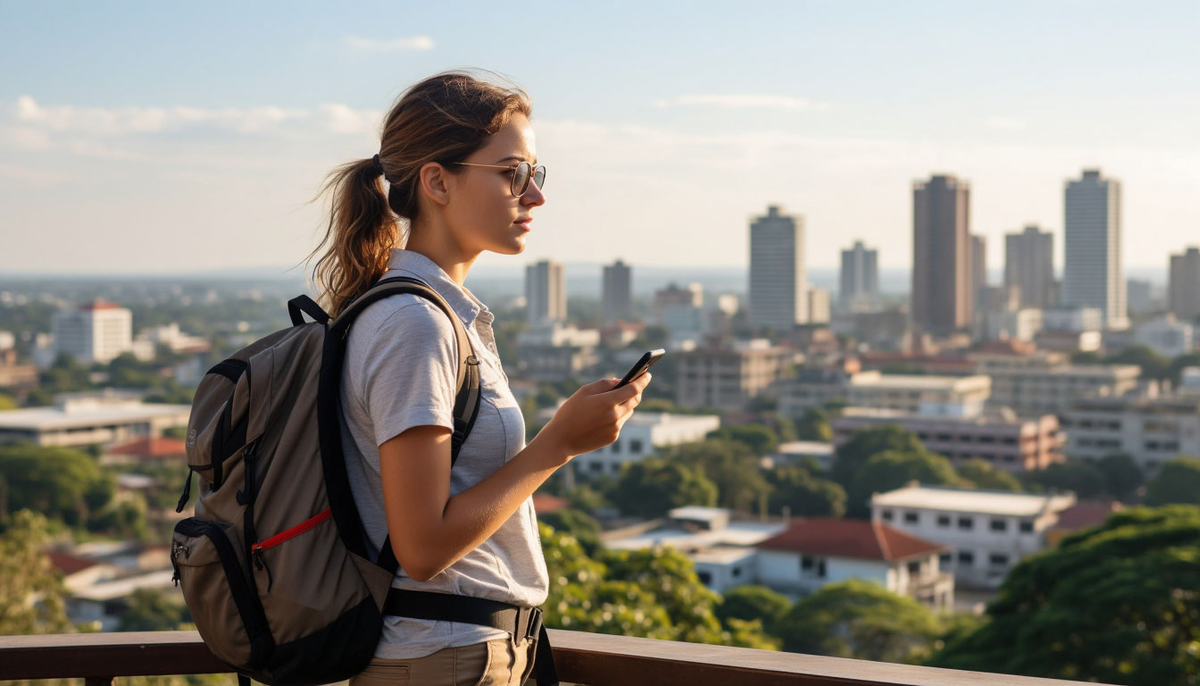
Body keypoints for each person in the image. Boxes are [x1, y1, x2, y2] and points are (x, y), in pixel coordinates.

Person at [305, 70, 652, 685]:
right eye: (513, 173)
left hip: (455, 654)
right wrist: (559, 444)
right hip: (443, 658)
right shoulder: (415, 324)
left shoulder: (426, 314)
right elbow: (422, 547)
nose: (535, 196)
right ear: (437, 181)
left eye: (536, 174)